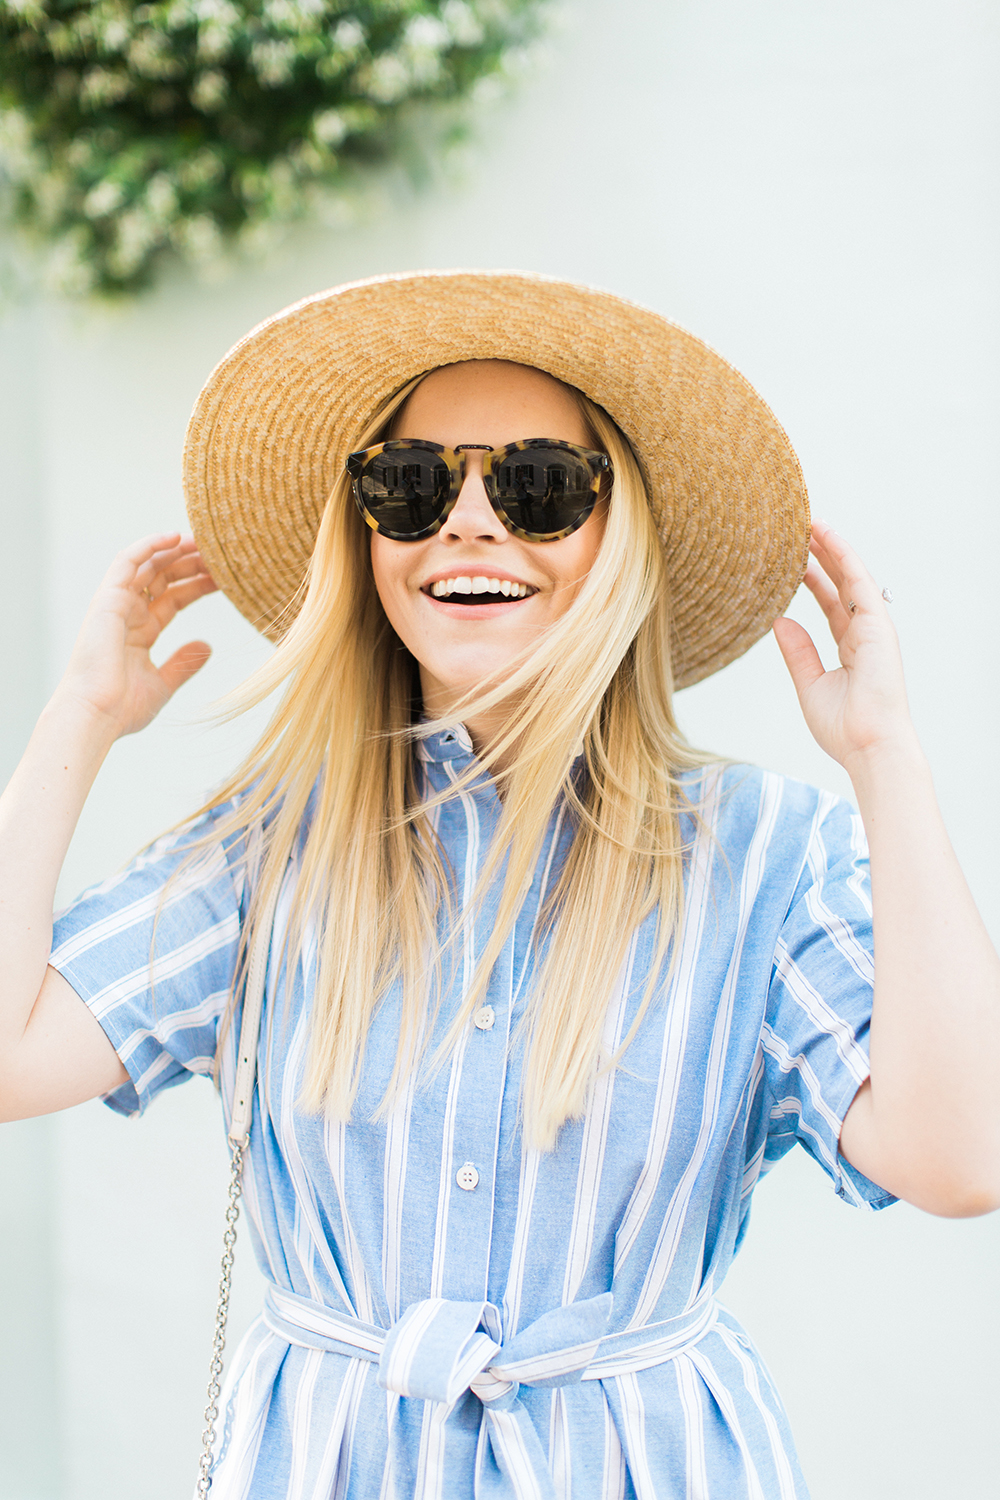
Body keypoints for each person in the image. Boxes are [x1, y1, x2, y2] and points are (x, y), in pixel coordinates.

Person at [1, 270, 997, 1500]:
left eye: (539, 485)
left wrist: (885, 756)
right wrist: (82, 716)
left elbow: (960, 1158)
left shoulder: (765, 854)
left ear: (615, 537)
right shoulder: (268, 850)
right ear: (367, 539)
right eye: (410, 485)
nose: (468, 523)